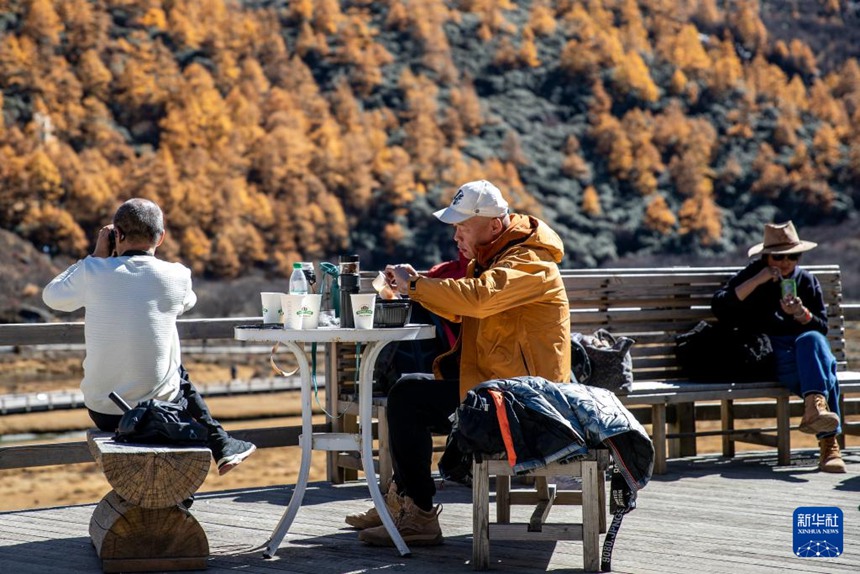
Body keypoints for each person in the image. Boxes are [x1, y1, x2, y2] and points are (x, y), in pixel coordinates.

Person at [349, 179, 571, 546]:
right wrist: (413, 284)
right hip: (501, 390)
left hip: (528, 402)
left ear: (494, 225)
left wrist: (415, 287)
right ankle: (404, 503)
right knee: (409, 392)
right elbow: (463, 310)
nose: (456, 235)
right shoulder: (495, 258)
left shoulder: (530, 263)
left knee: (408, 397)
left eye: (463, 226)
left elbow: (479, 300)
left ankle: (416, 512)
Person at [42, 198, 256, 475]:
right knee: (175, 368)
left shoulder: (94, 272)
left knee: (173, 366)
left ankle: (222, 444)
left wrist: (95, 256)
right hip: (160, 410)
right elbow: (186, 302)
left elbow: (52, 296)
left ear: (116, 235)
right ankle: (222, 444)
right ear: (161, 237)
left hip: (105, 412)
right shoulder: (177, 275)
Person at [711, 221, 844, 473]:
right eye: (778, 256)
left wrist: (801, 313)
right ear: (766, 257)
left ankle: (815, 406)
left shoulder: (806, 281)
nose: (786, 262)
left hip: (804, 351)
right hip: (770, 352)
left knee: (812, 339)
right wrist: (759, 280)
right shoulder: (754, 273)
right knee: (826, 374)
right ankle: (828, 441)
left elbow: (821, 326)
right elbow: (720, 307)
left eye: (792, 256)